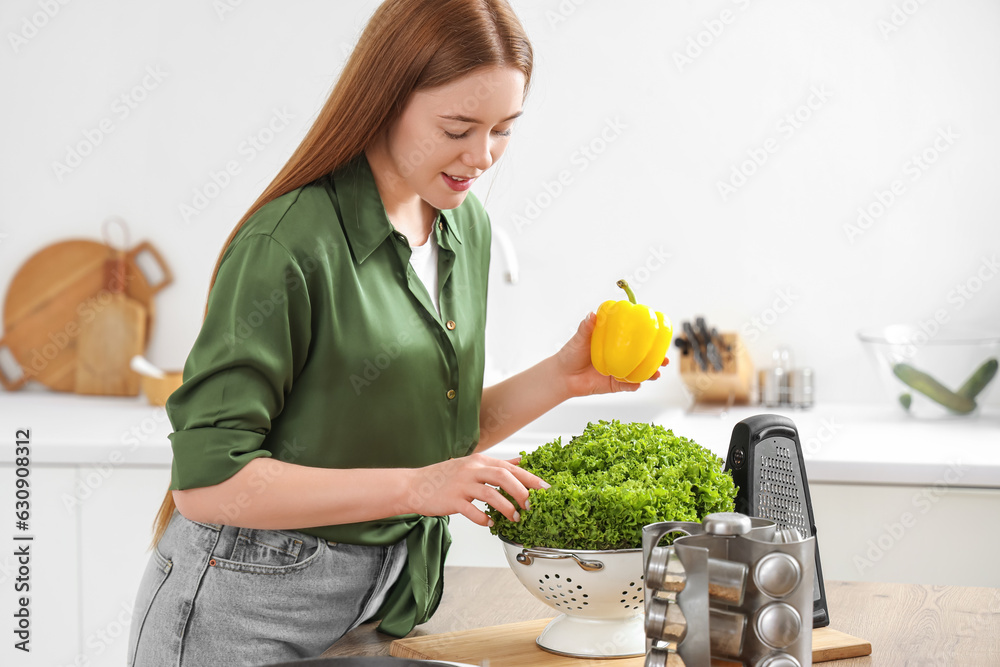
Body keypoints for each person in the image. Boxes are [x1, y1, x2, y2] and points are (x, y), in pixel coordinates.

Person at [127, 1, 666, 665]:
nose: (483, 156)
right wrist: (418, 488)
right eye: (459, 127)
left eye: (504, 129)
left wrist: (563, 376)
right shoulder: (289, 242)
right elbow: (207, 484)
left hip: (389, 605)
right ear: (384, 100)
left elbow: (433, 440)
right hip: (243, 610)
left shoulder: (464, 228)